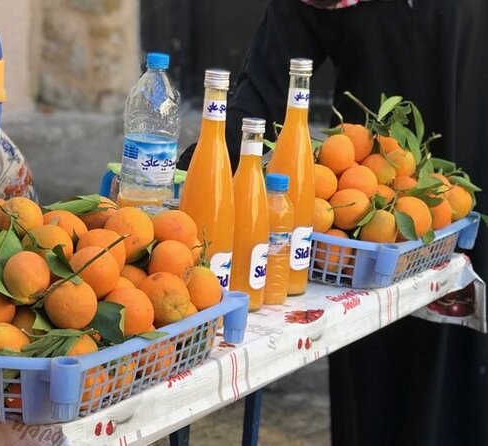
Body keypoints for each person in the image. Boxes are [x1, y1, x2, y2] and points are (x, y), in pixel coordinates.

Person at [178, 0, 488, 444]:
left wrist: (191, 181)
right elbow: (273, 79)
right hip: (371, 197)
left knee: (432, 360)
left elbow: (269, 81)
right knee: (391, 355)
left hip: (407, 189)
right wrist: (196, 175)